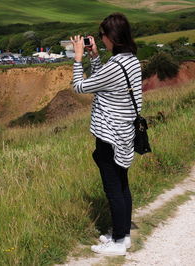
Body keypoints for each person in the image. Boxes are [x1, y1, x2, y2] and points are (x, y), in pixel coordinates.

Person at [70, 13, 142, 256]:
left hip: (110, 135)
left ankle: (118, 243)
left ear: (111, 36)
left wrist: (78, 58)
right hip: (125, 133)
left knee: (113, 188)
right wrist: (95, 58)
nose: (100, 39)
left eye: (102, 36)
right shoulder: (131, 60)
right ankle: (124, 235)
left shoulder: (116, 66)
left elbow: (80, 87)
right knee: (122, 184)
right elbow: (105, 82)